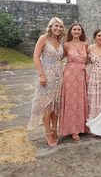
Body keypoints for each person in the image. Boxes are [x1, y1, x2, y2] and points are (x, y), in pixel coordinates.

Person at [28, 17, 66, 147]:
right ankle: (48, 133)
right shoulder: (43, 38)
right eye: (56, 26)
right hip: (46, 76)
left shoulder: (60, 40)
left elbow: (61, 57)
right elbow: (35, 57)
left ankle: (55, 130)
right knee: (47, 107)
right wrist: (41, 75)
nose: (58, 29)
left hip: (58, 76)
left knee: (56, 106)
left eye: (60, 27)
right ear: (50, 26)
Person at [59, 22, 88, 141]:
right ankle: (73, 129)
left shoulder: (85, 44)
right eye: (74, 29)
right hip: (70, 74)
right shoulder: (66, 45)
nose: (76, 31)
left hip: (81, 74)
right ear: (71, 31)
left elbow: (90, 59)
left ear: (81, 32)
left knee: (81, 99)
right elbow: (59, 58)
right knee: (71, 100)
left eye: (79, 30)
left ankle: (82, 127)